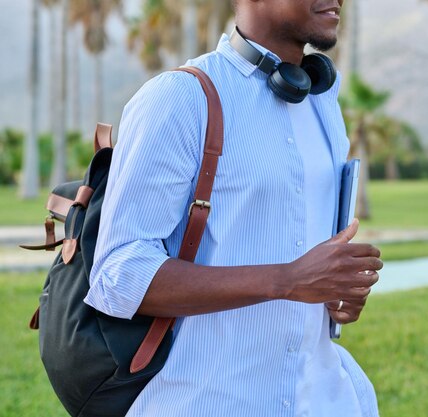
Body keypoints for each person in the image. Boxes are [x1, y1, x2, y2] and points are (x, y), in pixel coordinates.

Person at [86, 0, 383, 415]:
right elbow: (117, 274)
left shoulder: (322, 101)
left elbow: (309, 259)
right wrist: (287, 280)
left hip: (324, 398)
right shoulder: (180, 98)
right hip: (211, 400)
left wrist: (335, 291)